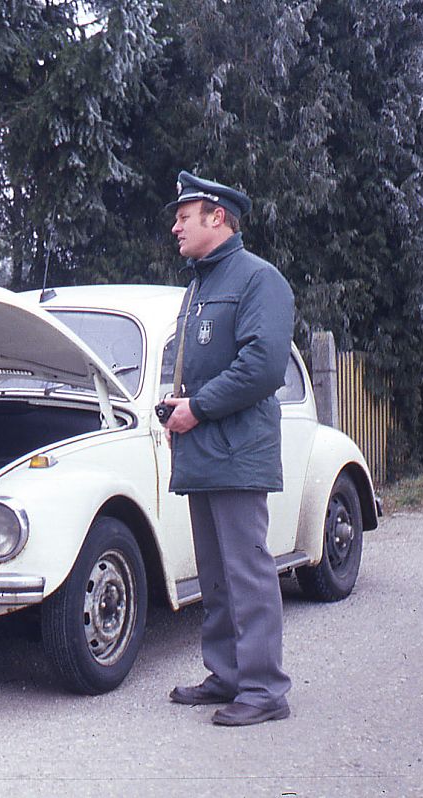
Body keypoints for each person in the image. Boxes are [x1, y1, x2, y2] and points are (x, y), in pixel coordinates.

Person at [160, 171, 296, 726]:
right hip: (204, 451)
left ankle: (265, 688)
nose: (175, 227)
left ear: (217, 217)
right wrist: (175, 405)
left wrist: (198, 407)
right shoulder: (199, 286)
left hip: (237, 451)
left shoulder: (259, 279)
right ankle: (229, 675)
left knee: (248, 571)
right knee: (214, 572)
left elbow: (263, 366)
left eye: (183, 217)